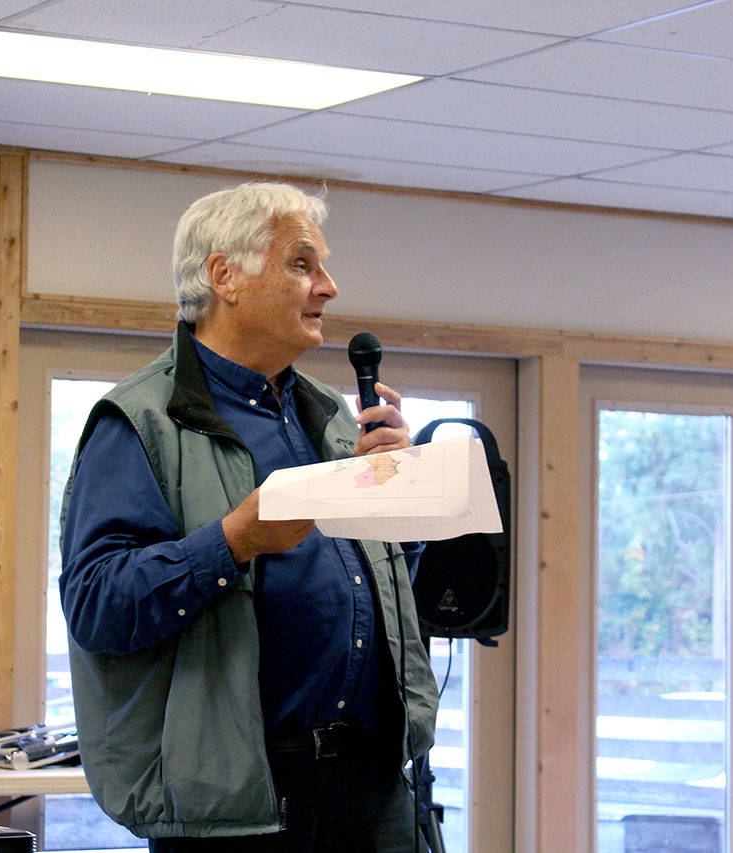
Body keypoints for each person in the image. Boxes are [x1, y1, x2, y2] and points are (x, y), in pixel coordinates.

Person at [59, 182, 438, 851]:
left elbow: (376, 582)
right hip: (244, 802)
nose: (329, 287)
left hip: (373, 786)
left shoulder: (328, 414)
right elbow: (97, 604)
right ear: (224, 276)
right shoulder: (142, 421)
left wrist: (398, 515)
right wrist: (231, 542)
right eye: (302, 264)